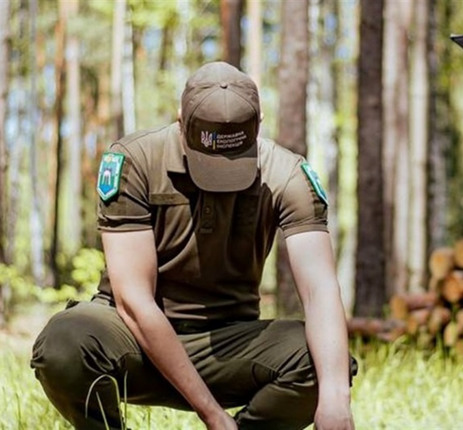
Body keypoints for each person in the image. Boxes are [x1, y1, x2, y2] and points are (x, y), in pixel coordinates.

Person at [31, 61, 356, 430]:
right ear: (181, 119)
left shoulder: (288, 175)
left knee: (325, 364)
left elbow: (320, 289)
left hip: (227, 343)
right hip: (133, 339)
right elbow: (134, 302)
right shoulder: (135, 160)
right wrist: (211, 414)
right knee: (65, 342)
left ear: (259, 123)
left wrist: (334, 400)